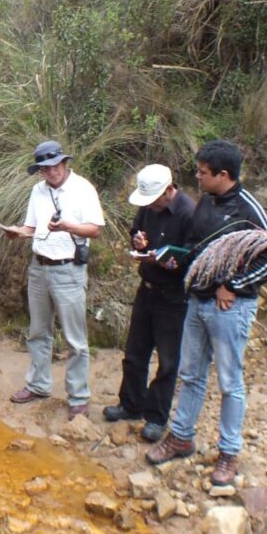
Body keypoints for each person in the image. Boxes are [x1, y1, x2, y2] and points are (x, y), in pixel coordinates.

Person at [146, 140, 267, 487]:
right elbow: (198, 246)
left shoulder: (251, 210)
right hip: (197, 300)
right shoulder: (206, 202)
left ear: (224, 175)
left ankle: (228, 452)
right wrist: (180, 260)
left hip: (229, 307)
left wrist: (234, 286)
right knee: (191, 373)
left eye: (203, 173)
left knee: (229, 382)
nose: (198, 177)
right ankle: (181, 436)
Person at [5, 140, 105, 419]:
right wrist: (17, 232)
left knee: (75, 339)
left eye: (54, 166)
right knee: (38, 331)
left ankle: (78, 397)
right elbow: (31, 227)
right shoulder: (37, 191)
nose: (50, 173)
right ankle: (37, 385)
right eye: (44, 169)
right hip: (38, 266)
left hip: (68, 269)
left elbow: (95, 230)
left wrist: (67, 226)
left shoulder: (83, 188)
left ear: (64, 162)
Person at [103, 164, 196, 442]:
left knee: (168, 361)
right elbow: (136, 229)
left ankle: (156, 417)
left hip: (174, 296)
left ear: (169, 190)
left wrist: (170, 262)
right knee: (134, 352)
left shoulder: (189, 213)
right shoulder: (148, 207)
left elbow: (194, 255)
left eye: (155, 200)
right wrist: (138, 239)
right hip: (147, 289)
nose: (151, 206)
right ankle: (131, 404)